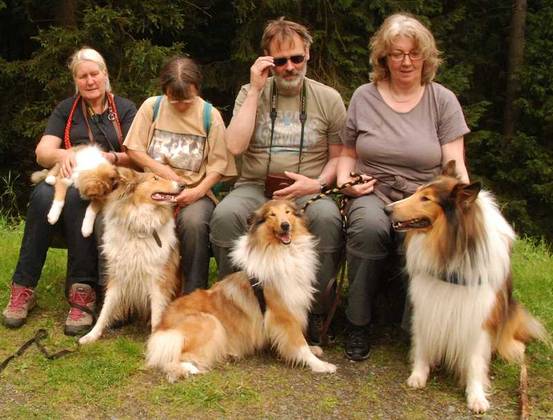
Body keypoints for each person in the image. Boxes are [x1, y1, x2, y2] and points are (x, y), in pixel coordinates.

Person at [337, 13, 470, 361]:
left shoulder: (443, 100)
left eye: (413, 53)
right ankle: (357, 323)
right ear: (384, 58)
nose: (406, 61)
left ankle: (418, 330)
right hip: (371, 189)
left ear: (426, 58)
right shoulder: (363, 97)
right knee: (367, 227)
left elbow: (455, 166)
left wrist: (468, 204)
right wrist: (344, 182)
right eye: (397, 53)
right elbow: (347, 154)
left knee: (426, 233)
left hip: (422, 194)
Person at [210, 17, 347, 346]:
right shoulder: (250, 92)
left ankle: (315, 313)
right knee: (225, 216)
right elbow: (234, 146)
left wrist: (317, 184)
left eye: (296, 58)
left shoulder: (328, 98)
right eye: (280, 61)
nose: (289, 67)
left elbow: (339, 157)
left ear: (308, 54)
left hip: (306, 190)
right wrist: (256, 90)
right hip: (255, 187)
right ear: (268, 60)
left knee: (327, 218)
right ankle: (236, 310)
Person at [2, 47, 137, 335]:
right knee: (41, 196)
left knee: (76, 197)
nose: (89, 81)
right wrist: (65, 155)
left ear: (105, 74)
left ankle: (82, 289)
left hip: (109, 183)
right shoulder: (67, 109)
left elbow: (138, 156)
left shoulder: (124, 109)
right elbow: (42, 153)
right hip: (72, 176)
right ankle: (23, 286)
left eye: (94, 74)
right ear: (75, 80)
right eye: (82, 76)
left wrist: (111, 158)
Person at [124, 56, 236, 294]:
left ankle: (192, 293)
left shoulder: (210, 116)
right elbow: (133, 149)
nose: (182, 105)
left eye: (188, 100)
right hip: (153, 189)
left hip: (194, 192)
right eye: (174, 100)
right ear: (164, 91)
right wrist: (160, 169)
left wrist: (197, 192)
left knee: (194, 223)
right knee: (127, 215)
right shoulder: (152, 107)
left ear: (197, 89)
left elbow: (219, 166)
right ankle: (132, 290)